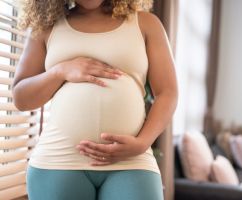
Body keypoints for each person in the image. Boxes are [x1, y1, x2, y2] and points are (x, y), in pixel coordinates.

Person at [12, 0, 178, 199]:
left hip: (131, 161)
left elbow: (167, 92)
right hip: (58, 160)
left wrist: (142, 143)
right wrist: (60, 71)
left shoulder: (146, 23)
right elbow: (21, 98)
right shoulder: (46, 27)